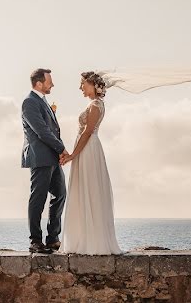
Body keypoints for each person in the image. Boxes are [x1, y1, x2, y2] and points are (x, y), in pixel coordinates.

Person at [60, 71, 122, 254]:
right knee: (86, 189)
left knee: (89, 189)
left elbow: (87, 132)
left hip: (88, 149)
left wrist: (72, 155)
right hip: (87, 148)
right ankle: (84, 238)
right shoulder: (94, 104)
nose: (81, 87)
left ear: (93, 86)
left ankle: (91, 242)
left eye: (83, 84)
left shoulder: (95, 105)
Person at [20, 68, 70, 254]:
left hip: (53, 158)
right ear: (39, 83)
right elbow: (42, 131)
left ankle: (52, 238)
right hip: (40, 157)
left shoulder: (43, 102)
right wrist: (62, 149)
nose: (53, 84)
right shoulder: (29, 102)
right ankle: (35, 240)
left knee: (60, 194)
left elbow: (52, 130)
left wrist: (59, 153)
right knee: (38, 199)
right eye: (50, 81)